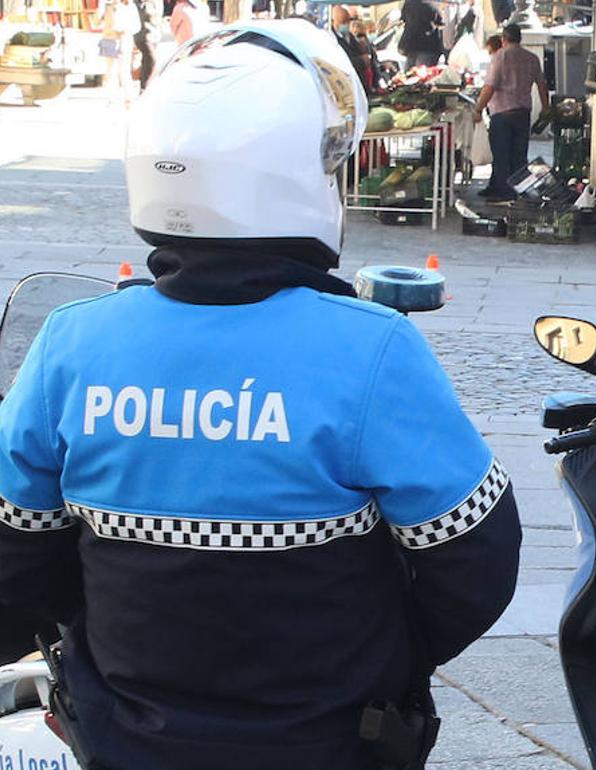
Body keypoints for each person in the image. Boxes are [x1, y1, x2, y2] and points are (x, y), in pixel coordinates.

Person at [0, 21, 521, 770]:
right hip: (329, 740)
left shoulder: (70, 344)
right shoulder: (371, 348)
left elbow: (20, 552)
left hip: (125, 739)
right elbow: (475, 557)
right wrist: (383, 664)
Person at [473, 23, 549, 201]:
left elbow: (489, 86)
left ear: (503, 39)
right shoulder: (532, 58)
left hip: (502, 113)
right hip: (523, 112)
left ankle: (503, 194)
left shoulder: (500, 57)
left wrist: (478, 108)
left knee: (501, 155)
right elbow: (542, 85)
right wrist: (546, 109)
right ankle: (513, 189)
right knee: (519, 155)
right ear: (520, 39)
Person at [399, 0, 443, 69]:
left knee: (409, 74)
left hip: (411, 44)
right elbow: (441, 21)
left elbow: (403, 19)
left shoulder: (408, 3)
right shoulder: (431, 4)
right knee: (423, 74)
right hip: (427, 46)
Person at [132, 0, 161, 90]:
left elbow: (158, 17)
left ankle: (145, 85)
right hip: (143, 36)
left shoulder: (155, 2)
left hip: (154, 35)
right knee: (151, 60)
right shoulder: (137, 3)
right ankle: (145, 86)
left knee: (146, 62)